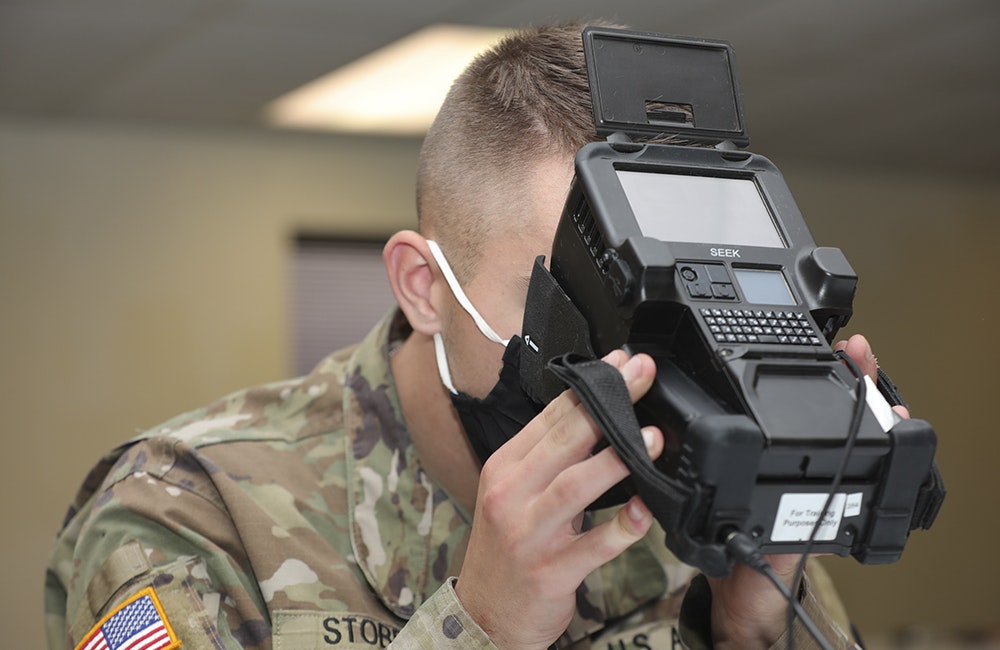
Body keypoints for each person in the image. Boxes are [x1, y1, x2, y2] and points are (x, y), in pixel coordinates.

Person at [45, 21, 901, 650]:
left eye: (659, 310)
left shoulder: (692, 503)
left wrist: (752, 628)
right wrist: (479, 628)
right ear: (426, 288)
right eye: (571, 301)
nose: (621, 360)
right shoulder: (187, 509)